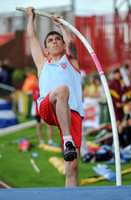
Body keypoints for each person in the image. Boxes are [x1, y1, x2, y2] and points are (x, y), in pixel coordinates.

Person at [25, 7, 84, 187]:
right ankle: (67, 141)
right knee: (62, 90)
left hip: (71, 113)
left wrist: (61, 26)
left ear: (63, 44)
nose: (54, 41)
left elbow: (71, 42)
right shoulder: (43, 64)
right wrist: (30, 18)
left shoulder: (71, 60)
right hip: (48, 108)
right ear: (46, 49)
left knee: (72, 167)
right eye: (50, 41)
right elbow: (31, 38)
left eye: (57, 39)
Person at [31, 79, 58, 146]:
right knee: (39, 126)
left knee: (49, 125)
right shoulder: (35, 89)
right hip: (37, 111)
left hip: (45, 108)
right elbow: (34, 98)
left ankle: (50, 141)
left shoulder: (44, 87)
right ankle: (41, 141)